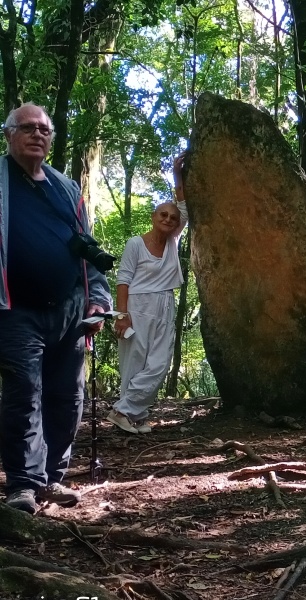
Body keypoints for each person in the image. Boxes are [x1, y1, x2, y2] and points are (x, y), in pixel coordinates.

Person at [0, 103, 112, 514]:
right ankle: (23, 484)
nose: (37, 135)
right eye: (27, 128)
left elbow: (88, 250)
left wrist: (98, 298)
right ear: (9, 134)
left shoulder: (65, 189)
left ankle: (50, 478)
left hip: (70, 310)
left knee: (68, 396)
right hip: (14, 309)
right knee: (24, 391)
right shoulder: (0, 182)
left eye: (44, 129)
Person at [106, 154, 188, 434]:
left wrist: (178, 176)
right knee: (134, 361)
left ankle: (128, 410)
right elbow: (123, 280)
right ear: (153, 217)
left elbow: (184, 207)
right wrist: (122, 315)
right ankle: (129, 413)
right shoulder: (135, 244)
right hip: (137, 305)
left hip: (165, 302)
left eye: (172, 217)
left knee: (159, 363)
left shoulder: (173, 242)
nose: (168, 218)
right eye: (163, 214)